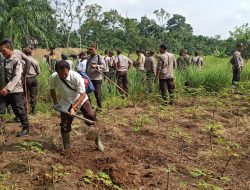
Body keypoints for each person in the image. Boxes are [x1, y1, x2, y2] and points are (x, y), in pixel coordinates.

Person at [50, 60, 104, 151]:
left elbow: (82, 94)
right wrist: (56, 103)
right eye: (61, 74)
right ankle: (67, 148)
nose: (63, 76)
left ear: (68, 70)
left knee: (91, 117)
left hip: (81, 99)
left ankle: (97, 140)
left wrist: (74, 108)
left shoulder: (76, 77)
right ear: (57, 72)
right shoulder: (53, 77)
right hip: (65, 102)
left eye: (65, 74)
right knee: (64, 125)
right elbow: (52, 90)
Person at [0, 39, 29, 137]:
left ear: (10, 49)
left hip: (15, 90)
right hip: (4, 91)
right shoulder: (3, 61)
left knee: (19, 109)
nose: (2, 52)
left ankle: (25, 128)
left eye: (3, 50)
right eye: (1, 51)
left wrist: (7, 88)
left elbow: (17, 76)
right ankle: (1, 128)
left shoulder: (17, 61)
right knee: (1, 108)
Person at [86, 43, 105, 111]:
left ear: (95, 49)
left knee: (97, 94)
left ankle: (100, 108)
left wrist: (96, 66)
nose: (90, 50)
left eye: (91, 49)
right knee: (86, 93)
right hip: (89, 78)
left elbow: (104, 66)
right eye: (89, 49)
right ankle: (90, 107)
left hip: (96, 79)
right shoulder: (88, 57)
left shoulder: (99, 57)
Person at [22, 48, 41, 115]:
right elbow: (38, 72)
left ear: (24, 53)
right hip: (33, 79)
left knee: (24, 95)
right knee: (33, 95)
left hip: (25, 79)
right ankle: (33, 111)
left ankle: (24, 110)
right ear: (30, 53)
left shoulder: (23, 61)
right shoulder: (35, 61)